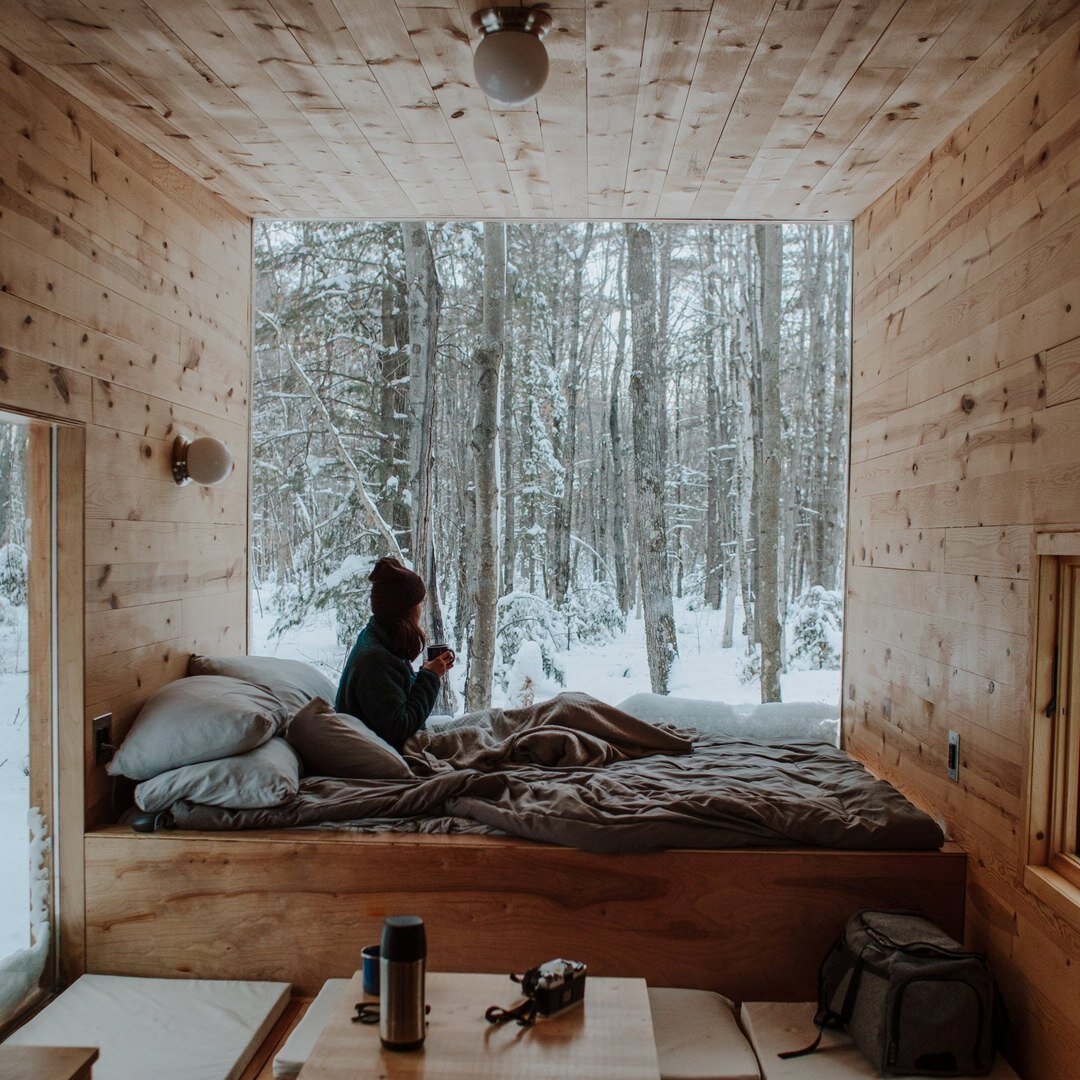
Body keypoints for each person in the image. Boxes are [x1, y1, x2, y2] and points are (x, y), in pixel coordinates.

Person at [335, 556, 455, 750]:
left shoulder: (379, 639)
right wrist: (430, 678)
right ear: (404, 610)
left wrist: (423, 674)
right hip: (382, 752)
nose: (421, 609)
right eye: (419, 603)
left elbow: (391, 696)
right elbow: (400, 727)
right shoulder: (375, 660)